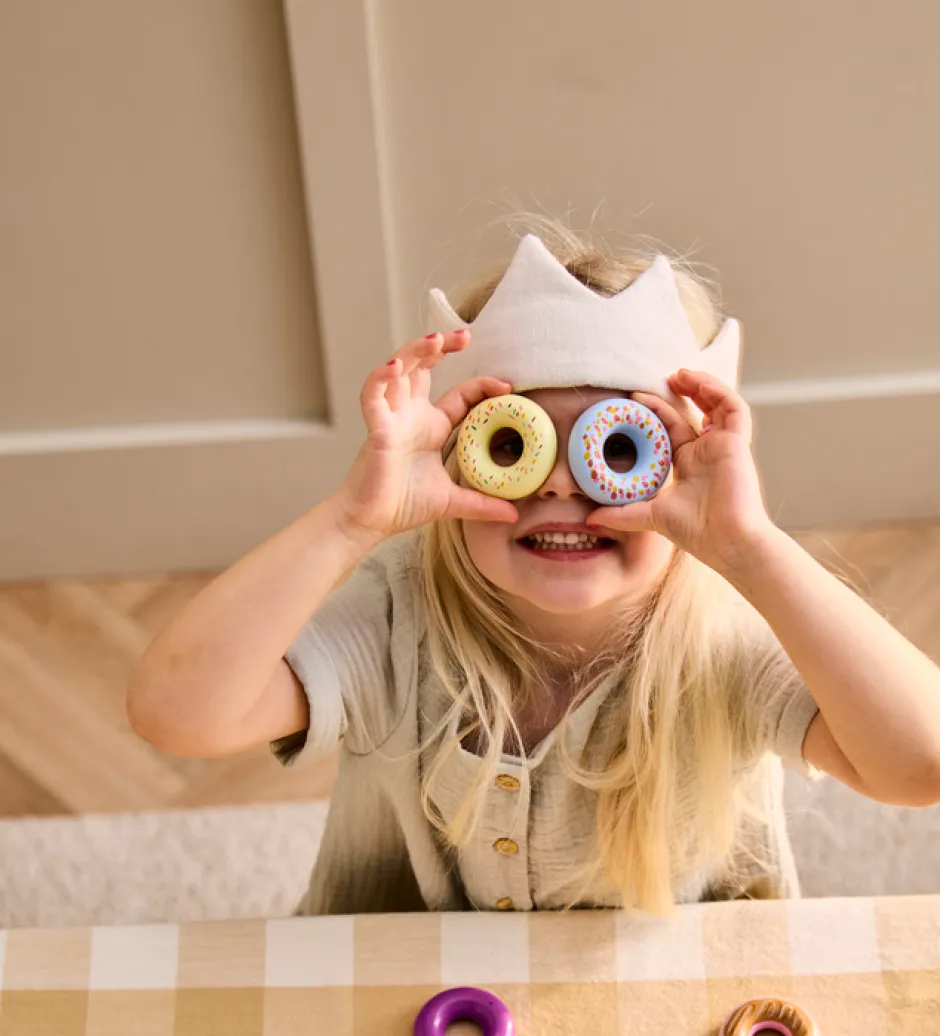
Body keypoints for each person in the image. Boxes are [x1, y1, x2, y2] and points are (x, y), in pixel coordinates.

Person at [127, 221, 940, 915]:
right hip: (399, 993)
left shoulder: (729, 632)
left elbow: (920, 764)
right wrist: (351, 521)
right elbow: (176, 713)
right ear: (452, 458)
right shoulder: (399, 612)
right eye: (513, 446)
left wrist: (749, 545)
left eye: (616, 448)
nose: (558, 480)